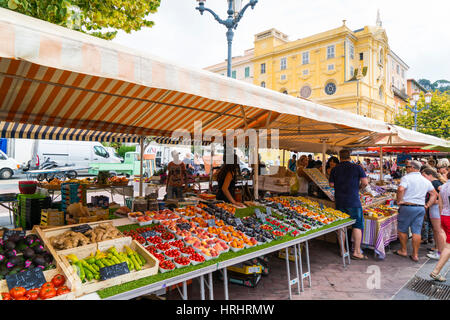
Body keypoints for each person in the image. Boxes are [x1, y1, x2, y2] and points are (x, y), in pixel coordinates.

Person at [395, 160, 438, 262]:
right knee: (416, 231)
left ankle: (404, 250)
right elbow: (434, 194)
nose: (406, 168)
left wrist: (399, 201)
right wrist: (427, 205)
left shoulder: (407, 178)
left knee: (402, 229)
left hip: (408, 206)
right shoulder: (425, 180)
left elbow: (400, 189)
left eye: (407, 167)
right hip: (420, 208)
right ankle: (415, 254)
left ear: (413, 168)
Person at [329, 149, 368, 260]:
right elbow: (365, 183)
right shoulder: (357, 167)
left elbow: (331, 184)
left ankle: (343, 250)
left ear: (339, 157)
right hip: (354, 201)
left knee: (341, 226)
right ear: (349, 156)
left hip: (340, 200)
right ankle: (356, 252)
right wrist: (358, 188)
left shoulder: (335, 169)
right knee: (357, 225)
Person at [421, 168, 446, 260]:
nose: (422, 178)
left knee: (439, 231)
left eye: (424, 176)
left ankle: (441, 253)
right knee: (437, 231)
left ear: (429, 175)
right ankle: (438, 250)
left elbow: (443, 194)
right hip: (435, 210)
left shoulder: (435, 183)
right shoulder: (436, 182)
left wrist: (436, 201)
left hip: (436, 210)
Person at [429, 171, 450, 282]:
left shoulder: (444, 186)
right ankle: (436, 271)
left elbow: (441, 205)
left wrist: (442, 218)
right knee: (448, 247)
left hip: (445, 216)